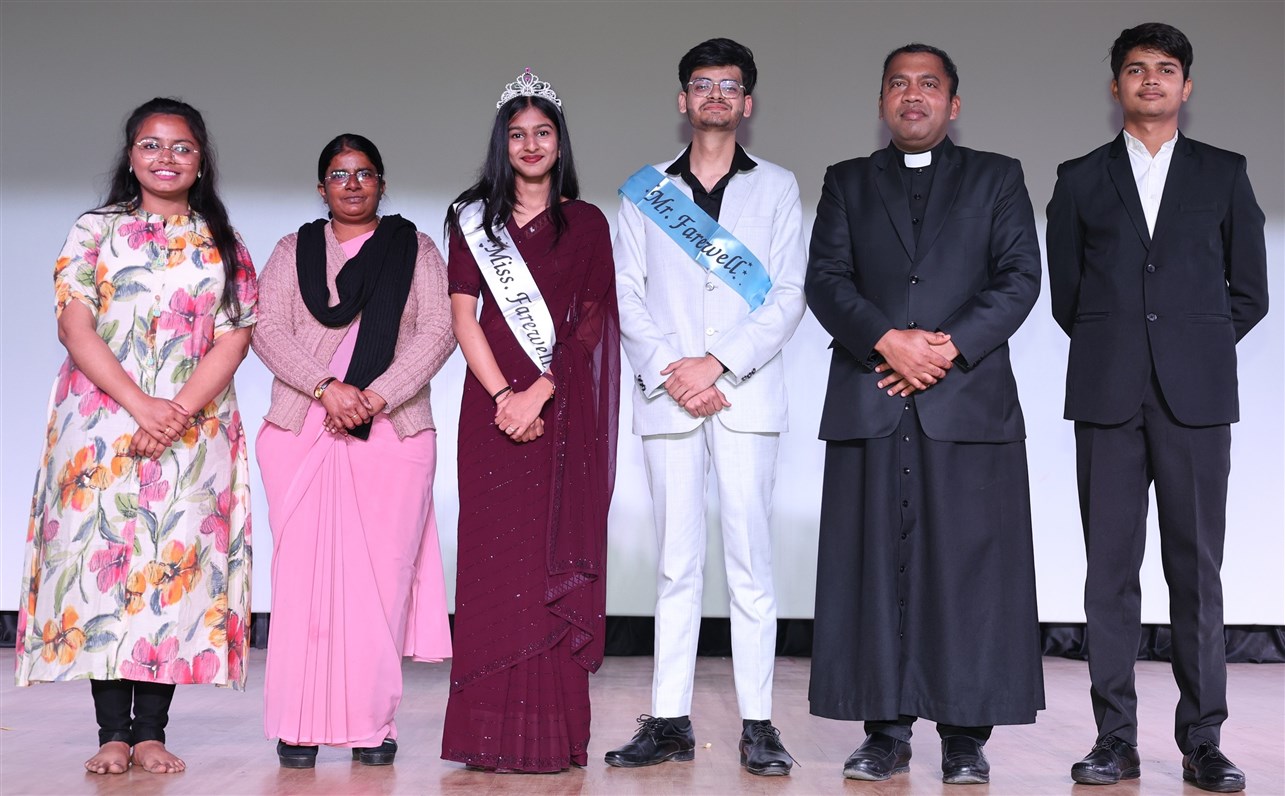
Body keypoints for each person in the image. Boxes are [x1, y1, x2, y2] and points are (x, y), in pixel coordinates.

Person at [805, 44, 1045, 785]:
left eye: (928, 84)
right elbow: (826, 279)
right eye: (898, 84)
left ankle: (966, 735)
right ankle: (884, 732)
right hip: (872, 392)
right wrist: (886, 340)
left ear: (953, 103)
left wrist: (944, 349)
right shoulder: (846, 181)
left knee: (969, 571)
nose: (913, 96)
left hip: (966, 401)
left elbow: (1020, 277)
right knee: (872, 567)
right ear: (881, 101)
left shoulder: (997, 176)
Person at [1047, 23, 1268, 793]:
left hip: (1195, 401)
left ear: (1185, 86)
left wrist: (1187, 348)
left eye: (1165, 69)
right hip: (1106, 395)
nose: (1150, 80)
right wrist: (1126, 350)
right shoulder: (1078, 178)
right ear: (1115, 86)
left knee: (1195, 574)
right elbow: (1068, 297)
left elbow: (1249, 291)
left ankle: (1202, 742)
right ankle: (1114, 741)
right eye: (1136, 69)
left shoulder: (1223, 172)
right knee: (1107, 575)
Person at [14, 97, 257, 775]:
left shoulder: (223, 241)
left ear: (201, 160)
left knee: (168, 575)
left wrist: (173, 411)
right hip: (101, 427)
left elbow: (234, 338)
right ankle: (111, 735)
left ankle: (150, 732)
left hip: (193, 429)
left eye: (181, 146)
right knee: (105, 571)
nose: (165, 158)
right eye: (151, 144)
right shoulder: (95, 231)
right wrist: (140, 406)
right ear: (130, 156)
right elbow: (75, 326)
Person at [607, 38, 806, 777]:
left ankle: (759, 724)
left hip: (744, 395)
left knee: (751, 565)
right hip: (670, 399)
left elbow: (787, 293)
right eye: (701, 83)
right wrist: (678, 374)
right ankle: (668, 720)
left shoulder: (778, 187)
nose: (715, 95)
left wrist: (717, 364)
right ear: (682, 99)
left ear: (747, 103)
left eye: (728, 85)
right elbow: (626, 292)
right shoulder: (646, 192)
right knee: (675, 565)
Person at [253, 134, 455, 768]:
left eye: (365, 173)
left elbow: (440, 330)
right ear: (321, 188)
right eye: (339, 175)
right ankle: (297, 725)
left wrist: (376, 396)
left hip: (392, 433)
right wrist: (326, 389)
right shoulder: (291, 252)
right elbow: (265, 329)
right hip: (302, 429)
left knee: (379, 586)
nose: (353, 184)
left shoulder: (414, 248)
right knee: (302, 585)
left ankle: (373, 725)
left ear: (382, 183)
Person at [440, 69, 619, 773]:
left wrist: (539, 393)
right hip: (490, 416)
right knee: (495, 569)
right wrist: (502, 398)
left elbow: (592, 323)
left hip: (559, 411)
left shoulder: (588, 223)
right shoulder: (471, 219)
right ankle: (485, 736)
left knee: (548, 562)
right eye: (517, 134)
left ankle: (552, 734)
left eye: (543, 132)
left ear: (559, 141)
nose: (531, 145)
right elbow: (464, 317)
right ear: (502, 143)